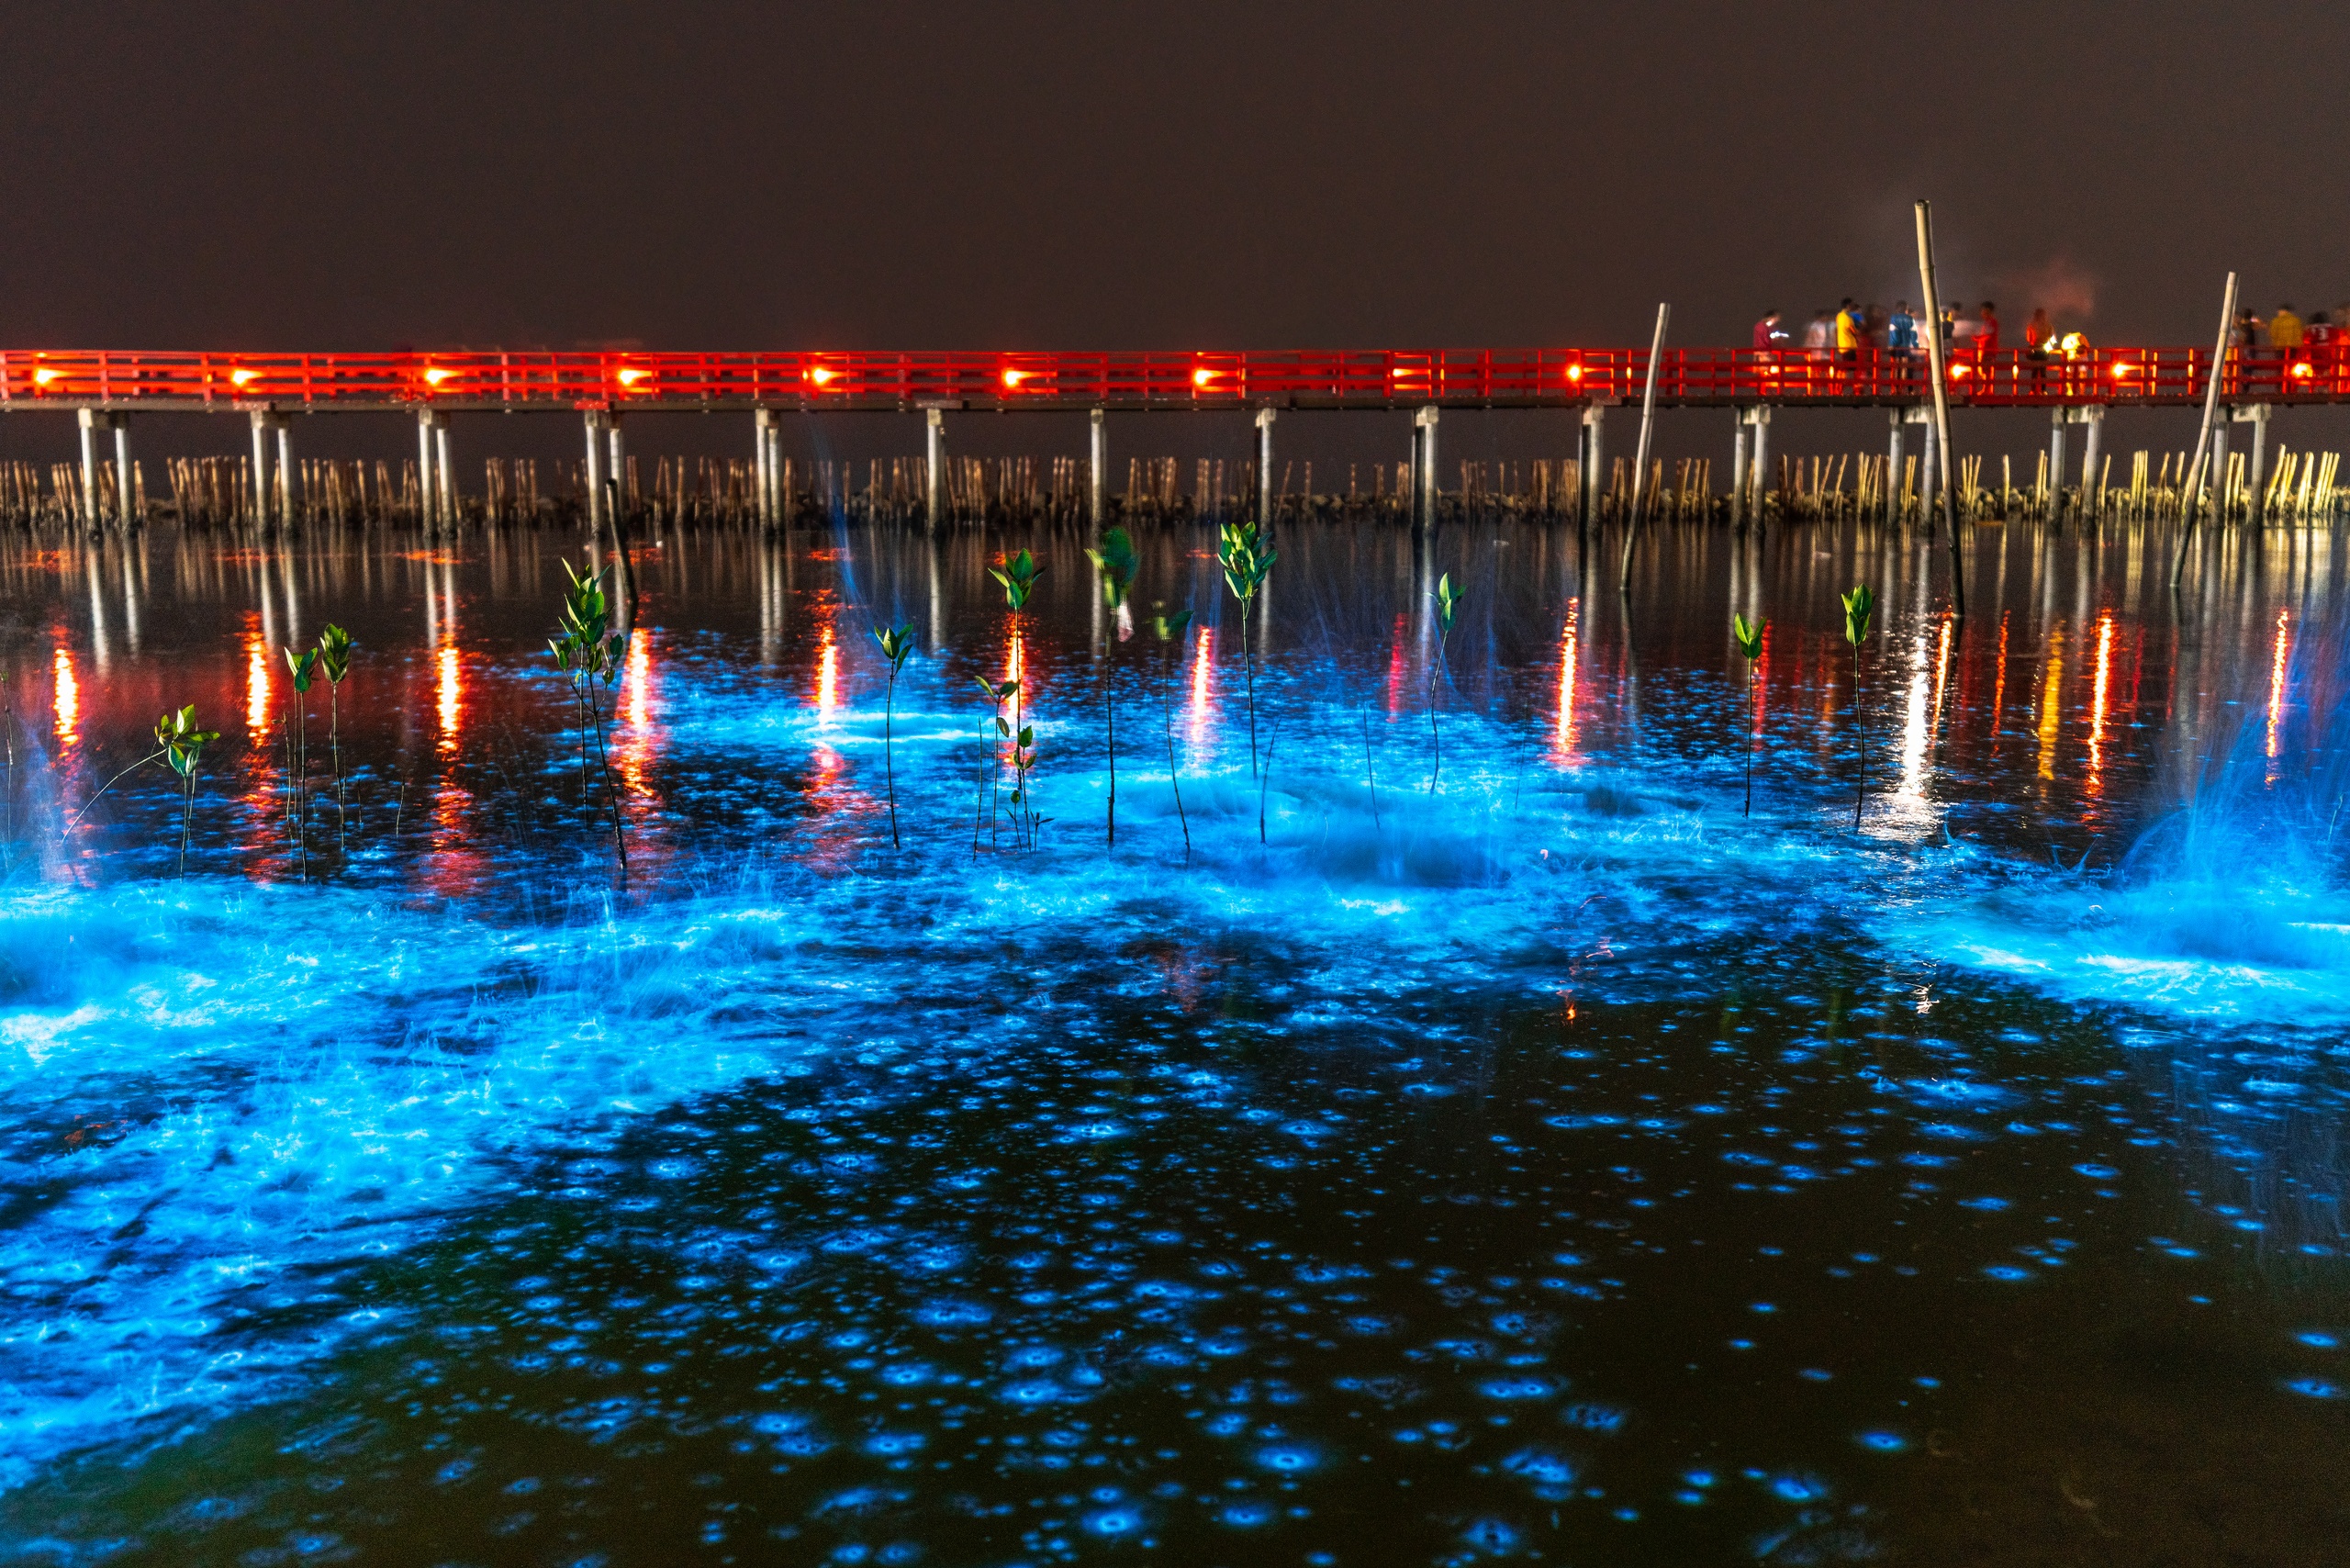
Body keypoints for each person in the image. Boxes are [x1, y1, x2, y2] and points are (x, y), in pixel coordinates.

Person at [1834, 297, 1866, 361]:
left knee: (1846, 366)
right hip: (1849, 346)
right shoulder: (1847, 317)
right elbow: (1854, 331)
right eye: (1852, 305)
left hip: (1842, 346)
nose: (1853, 307)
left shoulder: (1839, 316)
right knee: (1851, 368)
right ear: (1848, 306)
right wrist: (1862, 327)